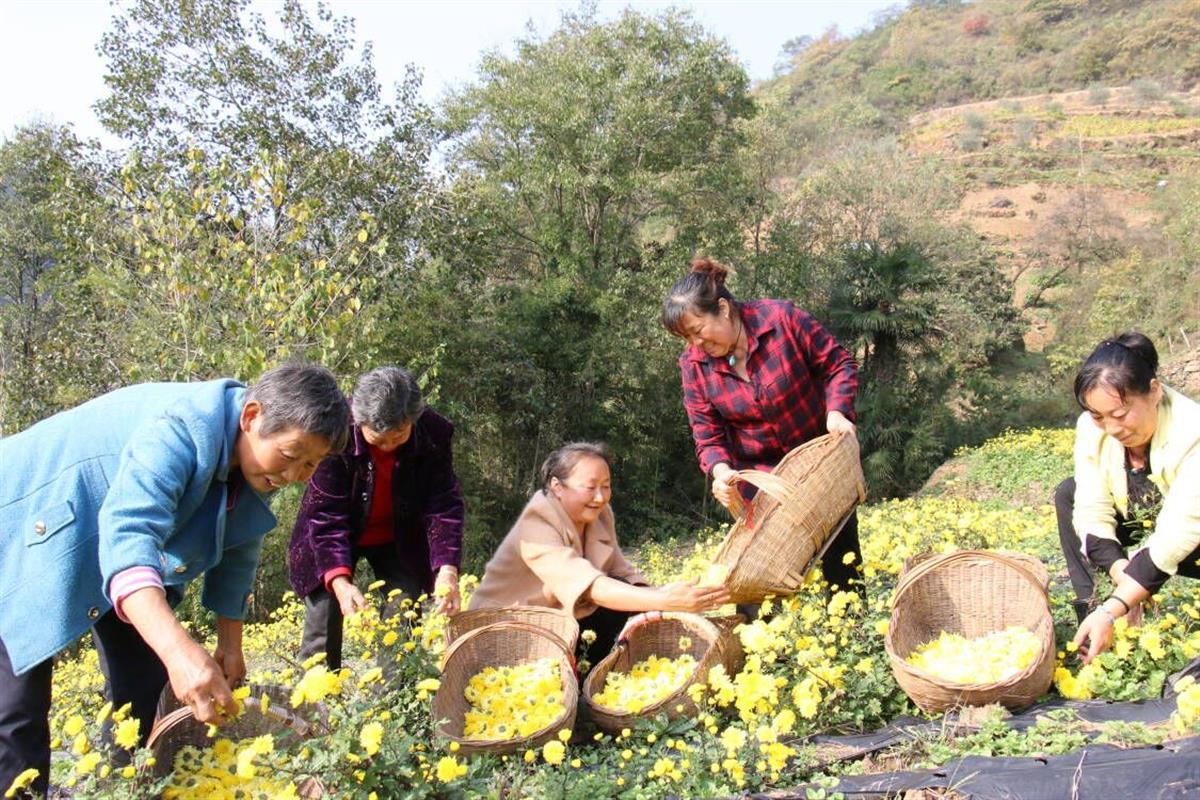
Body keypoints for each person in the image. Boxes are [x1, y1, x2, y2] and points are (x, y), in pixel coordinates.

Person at [0, 363, 348, 798]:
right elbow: (129, 535)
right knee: (15, 706)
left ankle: (126, 787)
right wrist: (179, 649)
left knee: (144, 686)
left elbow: (239, 542)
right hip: (26, 530)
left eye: (311, 465)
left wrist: (230, 642)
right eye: (294, 456)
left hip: (112, 540)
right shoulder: (179, 430)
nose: (296, 475)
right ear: (251, 416)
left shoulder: (261, 458)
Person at [661, 257, 862, 592]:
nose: (696, 344)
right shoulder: (694, 366)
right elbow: (706, 434)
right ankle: (760, 645)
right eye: (686, 338)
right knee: (757, 586)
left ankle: (853, 633)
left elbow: (838, 363)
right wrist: (721, 471)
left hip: (821, 468)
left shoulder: (781, 319)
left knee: (842, 567)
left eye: (697, 331)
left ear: (723, 308)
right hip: (762, 484)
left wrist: (837, 411)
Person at [469, 442, 730, 663]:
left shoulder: (599, 514)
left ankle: (594, 678)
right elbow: (590, 587)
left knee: (624, 594)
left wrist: (668, 594)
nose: (600, 496)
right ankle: (580, 683)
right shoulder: (536, 525)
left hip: (562, 620)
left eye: (606, 486)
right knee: (615, 600)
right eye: (590, 486)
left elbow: (619, 571)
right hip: (507, 635)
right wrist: (664, 601)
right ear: (557, 486)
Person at [288, 366, 465, 669]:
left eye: (398, 437)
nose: (387, 446)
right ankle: (318, 703)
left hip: (400, 536)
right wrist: (341, 583)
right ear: (357, 419)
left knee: (404, 612)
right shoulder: (333, 430)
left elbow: (443, 502)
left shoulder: (434, 433)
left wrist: (447, 570)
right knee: (325, 615)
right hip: (332, 537)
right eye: (377, 440)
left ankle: (392, 699)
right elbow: (326, 515)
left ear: (414, 419)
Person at [1058, 333, 1200, 664]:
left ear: (1154, 391)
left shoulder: (1193, 433)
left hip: (1190, 537)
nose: (1110, 427)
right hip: (1144, 521)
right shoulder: (1092, 427)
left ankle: (1104, 619)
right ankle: (1091, 632)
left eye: (1120, 415)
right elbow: (1091, 509)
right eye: (1098, 416)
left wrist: (1116, 607)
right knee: (1069, 492)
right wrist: (1124, 575)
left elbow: (1177, 536)